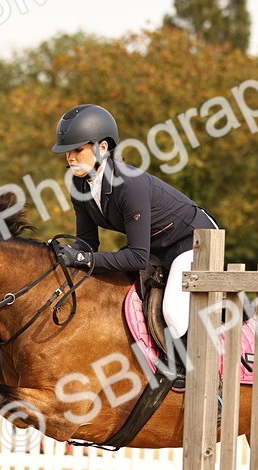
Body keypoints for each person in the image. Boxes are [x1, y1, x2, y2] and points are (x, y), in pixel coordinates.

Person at [50, 104, 217, 381]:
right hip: (159, 247)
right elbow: (87, 242)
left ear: (102, 147)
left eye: (77, 150)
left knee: (172, 312)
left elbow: (137, 257)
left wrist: (85, 260)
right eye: (68, 152)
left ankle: (209, 383)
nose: (70, 157)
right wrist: (62, 254)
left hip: (194, 241)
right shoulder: (78, 184)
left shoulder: (129, 184)